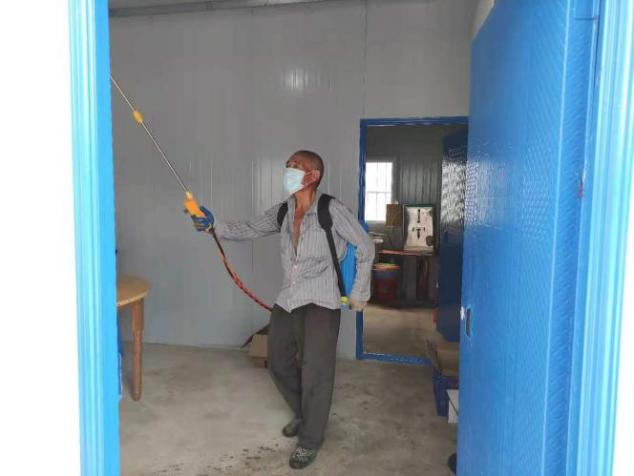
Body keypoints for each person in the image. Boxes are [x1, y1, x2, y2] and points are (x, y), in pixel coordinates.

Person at [190, 150, 375, 469]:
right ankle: (304, 412)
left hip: (322, 301)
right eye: (287, 166)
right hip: (289, 299)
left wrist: (359, 292)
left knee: (317, 372)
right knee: (277, 362)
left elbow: (366, 246)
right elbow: (247, 228)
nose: (288, 171)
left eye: (295, 167)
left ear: (313, 175)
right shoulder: (284, 211)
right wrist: (213, 224)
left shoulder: (332, 210)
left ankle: (311, 439)